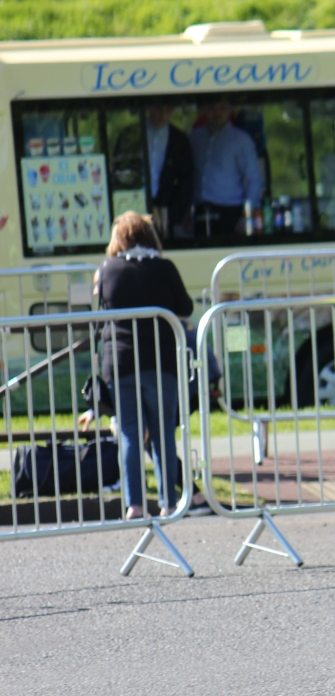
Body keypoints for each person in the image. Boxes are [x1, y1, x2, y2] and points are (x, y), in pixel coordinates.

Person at [91, 213, 193, 519]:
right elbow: (186, 306)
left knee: (129, 433)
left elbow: (102, 302)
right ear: (150, 236)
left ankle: (134, 505)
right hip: (160, 360)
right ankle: (168, 502)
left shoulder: (108, 269)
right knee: (163, 433)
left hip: (120, 361)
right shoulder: (164, 268)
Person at [190, 97, 264, 244]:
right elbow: (189, 177)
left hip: (230, 213)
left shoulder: (241, 140)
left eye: (222, 108)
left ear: (230, 109)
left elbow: (254, 179)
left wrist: (246, 216)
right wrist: (187, 210)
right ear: (205, 110)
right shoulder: (194, 138)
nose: (217, 113)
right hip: (199, 212)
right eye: (212, 108)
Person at [145, 105, 194, 241]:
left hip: (166, 210)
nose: (162, 115)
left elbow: (186, 179)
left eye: (167, 110)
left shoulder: (180, 139)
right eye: (158, 109)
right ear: (149, 108)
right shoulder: (132, 134)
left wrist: (174, 212)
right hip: (135, 205)